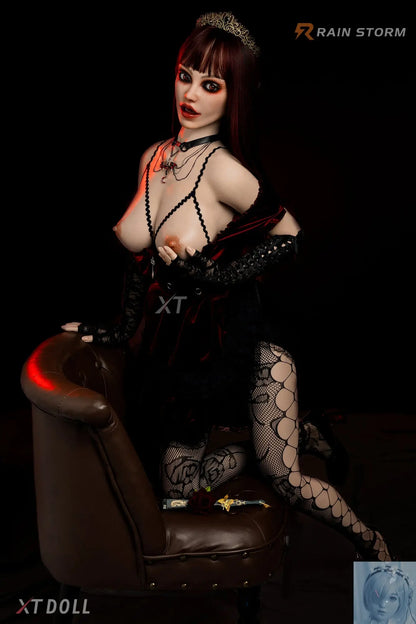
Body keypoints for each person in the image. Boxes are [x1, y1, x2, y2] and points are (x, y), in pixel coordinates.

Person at [62, 11, 392, 561]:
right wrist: (118, 329)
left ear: (233, 95)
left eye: (211, 84)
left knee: (286, 479)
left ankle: (375, 547)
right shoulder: (154, 157)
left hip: (247, 345)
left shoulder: (222, 169)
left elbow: (289, 234)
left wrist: (215, 275)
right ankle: (285, 437)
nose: (191, 94)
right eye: (185, 76)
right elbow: (141, 261)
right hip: (181, 354)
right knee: (177, 493)